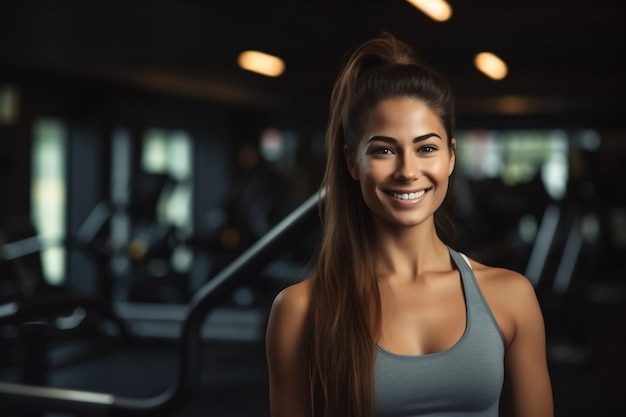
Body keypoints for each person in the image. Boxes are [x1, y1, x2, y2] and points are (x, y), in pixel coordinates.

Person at [265, 32, 553, 417]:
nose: (407, 171)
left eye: (426, 148)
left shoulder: (511, 296)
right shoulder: (301, 311)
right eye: (384, 150)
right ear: (352, 162)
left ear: (451, 156)